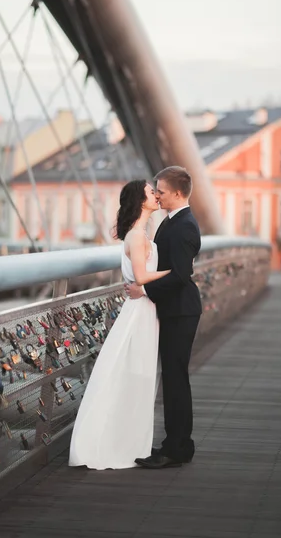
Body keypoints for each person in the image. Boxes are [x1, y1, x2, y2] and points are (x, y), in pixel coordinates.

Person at [68, 180, 170, 470]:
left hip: (145, 310)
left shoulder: (143, 233)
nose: (156, 195)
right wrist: (176, 272)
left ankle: (132, 441)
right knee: (135, 375)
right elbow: (140, 277)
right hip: (139, 312)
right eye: (152, 192)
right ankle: (120, 443)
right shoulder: (137, 236)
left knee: (139, 375)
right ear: (140, 200)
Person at [126, 166, 202, 469]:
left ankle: (175, 447)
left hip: (181, 310)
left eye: (161, 191)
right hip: (174, 308)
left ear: (178, 193)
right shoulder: (173, 221)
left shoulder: (184, 226)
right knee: (174, 378)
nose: (157, 194)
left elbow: (182, 275)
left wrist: (144, 291)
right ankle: (180, 444)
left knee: (175, 379)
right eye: (154, 190)